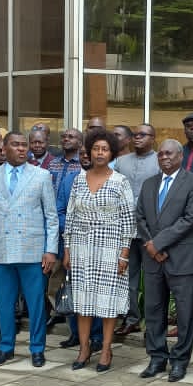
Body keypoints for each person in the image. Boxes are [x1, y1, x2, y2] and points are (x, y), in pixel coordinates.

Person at [0, 131, 58, 367]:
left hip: (33, 249)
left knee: (36, 303)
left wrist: (51, 250)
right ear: (4, 148)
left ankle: (37, 348)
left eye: (24, 145)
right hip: (3, 249)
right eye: (16, 145)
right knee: (4, 303)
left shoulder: (41, 176)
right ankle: (6, 346)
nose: (21, 149)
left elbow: (51, 216)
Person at [63, 129, 136, 372]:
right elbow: (71, 217)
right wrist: (67, 249)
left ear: (112, 153)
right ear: (89, 152)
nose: (100, 153)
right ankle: (84, 349)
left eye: (105, 149)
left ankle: (106, 349)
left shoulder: (120, 181)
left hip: (110, 248)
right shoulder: (78, 180)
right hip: (81, 248)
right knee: (83, 302)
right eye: (96, 149)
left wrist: (124, 253)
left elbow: (128, 221)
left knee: (107, 303)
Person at [135, 138, 193, 382]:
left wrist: (159, 243)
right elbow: (140, 217)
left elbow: (190, 219)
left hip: (182, 259)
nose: (164, 157)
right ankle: (157, 357)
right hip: (154, 259)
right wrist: (152, 246)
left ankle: (179, 361)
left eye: (169, 154)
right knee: (154, 310)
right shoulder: (148, 184)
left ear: (179, 156)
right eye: (161, 154)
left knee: (185, 313)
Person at [51, 129, 101, 350]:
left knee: (97, 291)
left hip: (99, 245)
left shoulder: (110, 179)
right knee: (72, 287)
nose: (85, 157)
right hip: (72, 243)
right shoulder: (71, 179)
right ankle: (75, 333)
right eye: (82, 154)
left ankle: (97, 336)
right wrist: (72, 230)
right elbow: (60, 210)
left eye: (88, 152)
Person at [113, 123, 159, 337]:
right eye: (136, 135)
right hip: (124, 231)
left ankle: (151, 323)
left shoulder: (160, 160)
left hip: (150, 231)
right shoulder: (121, 162)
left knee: (151, 279)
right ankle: (131, 318)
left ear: (153, 138)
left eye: (143, 134)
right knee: (127, 278)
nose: (138, 138)